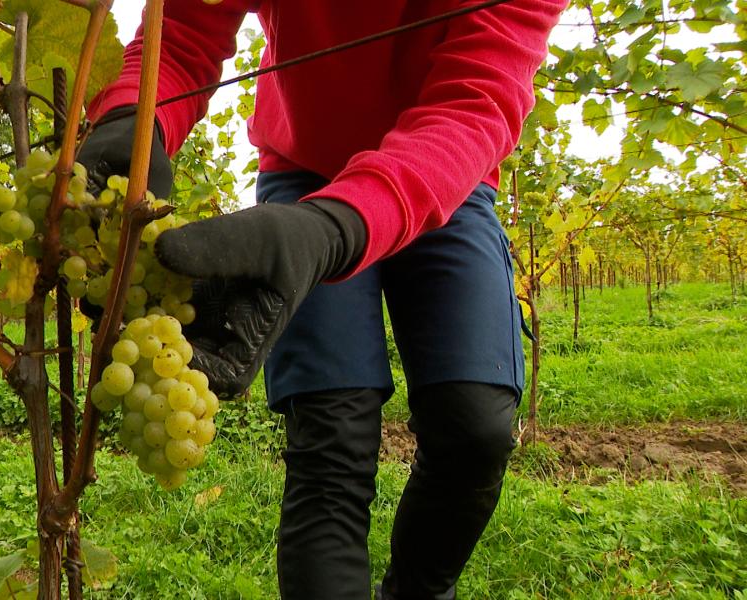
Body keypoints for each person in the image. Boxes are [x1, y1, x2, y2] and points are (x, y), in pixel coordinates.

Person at [77, 1, 567, 598]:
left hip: (445, 172)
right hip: (307, 171)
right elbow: (184, 30)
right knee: (332, 433)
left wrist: (336, 232)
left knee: (475, 427)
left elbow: (476, 96)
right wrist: (134, 114)